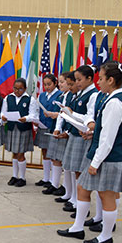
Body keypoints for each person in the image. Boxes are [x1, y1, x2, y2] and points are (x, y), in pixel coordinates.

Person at [57, 62, 122, 243]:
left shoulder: (115, 102)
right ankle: (77, 228)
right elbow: (104, 129)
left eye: (101, 78)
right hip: (104, 154)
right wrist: (91, 132)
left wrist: (95, 162)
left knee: (106, 196)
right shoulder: (112, 98)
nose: (99, 82)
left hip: (109, 157)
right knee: (83, 189)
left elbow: (108, 138)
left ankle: (106, 236)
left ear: (111, 80)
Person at [61, 65, 99, 215]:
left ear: (90, 79)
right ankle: (76, 200)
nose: (77, 83)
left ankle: (81, 203)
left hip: (84, 136)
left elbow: (90, 117)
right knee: (74, 169)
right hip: (76, 134)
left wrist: (72, 114)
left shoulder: (93, 95)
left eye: (79, 79)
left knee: (80, 172)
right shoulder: (81, 93)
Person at [1, 78, 38, 187]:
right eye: (15, 88)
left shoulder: (30, 99)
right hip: (12, 128)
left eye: (20, 89)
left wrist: (26, 118)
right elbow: (3, 112)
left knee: (21, 154)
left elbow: (33, 115)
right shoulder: (8, 98)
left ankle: (22, 177)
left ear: (25, 89)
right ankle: (14, 176)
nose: (17, 91)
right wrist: (3, 117)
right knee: (14, 153)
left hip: (23, 129)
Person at [48, 72, 75, 200]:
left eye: (63, 82)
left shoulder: (72, 96)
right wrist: (57, 128)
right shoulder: (65, 96)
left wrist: (67, 131)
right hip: (62, 130)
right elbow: (62, 113)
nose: (61, 84)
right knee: (57, 158)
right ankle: (57, 185)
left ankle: (66, 189)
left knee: (67, 163)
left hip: (70, 132)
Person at [34, 74, 62, 189]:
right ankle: (46, 177)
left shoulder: (59, 95)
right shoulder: (42, 96)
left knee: (53, 154)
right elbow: (38, 110)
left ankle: (53, 180)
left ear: (55, 83)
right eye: (45, 84)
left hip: (53, 127)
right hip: (43, 126)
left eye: (49, 84)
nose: (47, 87)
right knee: (44, 152)